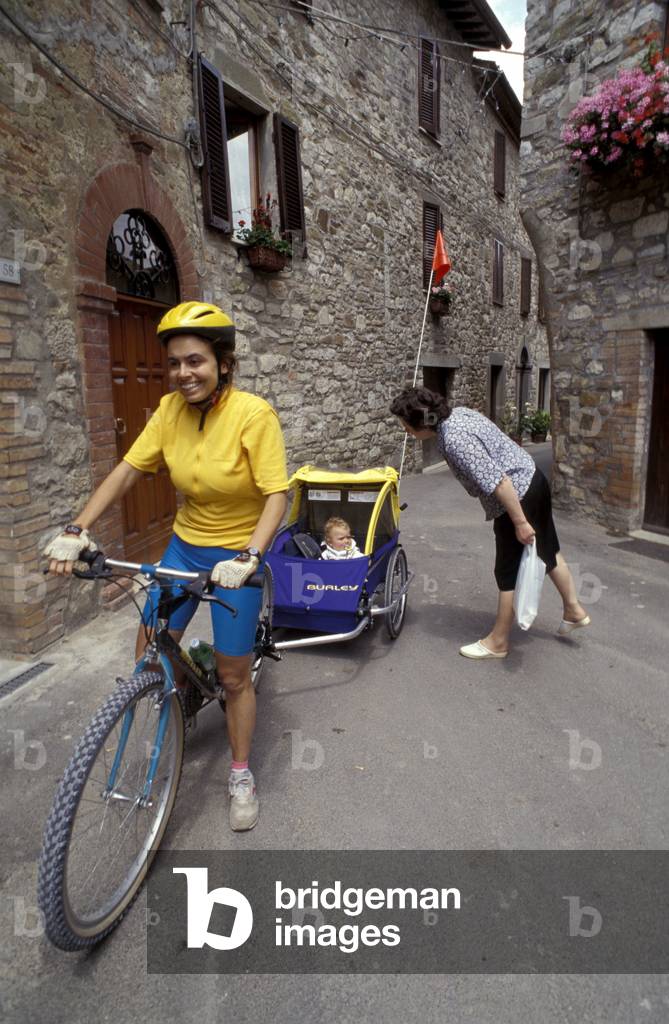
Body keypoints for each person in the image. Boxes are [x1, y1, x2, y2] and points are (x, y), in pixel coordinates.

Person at [43, 301, 289, 830]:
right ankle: (176, 700)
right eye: (175, 362)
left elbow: (277, 497)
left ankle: (241, 771)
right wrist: (75, 528)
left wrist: (250, 556)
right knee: (149, 653)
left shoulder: (253, 414)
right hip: (184, 546)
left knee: (234, 673)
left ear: (223, 362)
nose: (183, 373)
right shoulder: (168, 411)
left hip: (236, 556)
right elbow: (127, 471)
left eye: (195, 361)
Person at [390, 386, 590, 659]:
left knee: (506, 570)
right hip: (533, 480)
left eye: (407, 426)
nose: (406, 432)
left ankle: (498, 641)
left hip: (516, 496)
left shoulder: (455, 439)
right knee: (547, 548)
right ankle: (574, 609)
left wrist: (519, 522)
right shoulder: (459, 415)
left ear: (421, 421)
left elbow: (499, 481)